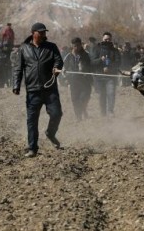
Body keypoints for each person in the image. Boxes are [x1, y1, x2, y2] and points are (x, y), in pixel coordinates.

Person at [12, 22, 63, 157]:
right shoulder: (23, 49)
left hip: (50, 89)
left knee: (57, 113)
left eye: (44, 32)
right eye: (40, 32)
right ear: (33, 33)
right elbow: (18, 68)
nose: (43, 34)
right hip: (33, 89)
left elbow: (59, 61)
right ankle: (32, 148)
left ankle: (50, 133)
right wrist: (16, 85)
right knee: (32, 120)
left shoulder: (51, 47)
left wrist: (57, 67)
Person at [90, 32, 121, 117]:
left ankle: (110, 111)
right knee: (101, 95)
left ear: (111, 40)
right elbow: (92, 62)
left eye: (109, 39)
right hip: (99, 77)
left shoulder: (115, 50)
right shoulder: (96, 49)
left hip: (110, 77)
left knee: (111, 93)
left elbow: (118, 63)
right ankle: (103, 112)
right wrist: (100, 59)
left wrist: (110, 68)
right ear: (102, 39)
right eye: (105, 39)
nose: (107, 41)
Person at [64, 37, 92, 121]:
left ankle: (83, 109)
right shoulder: (68, 56)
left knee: (84, 98)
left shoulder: (85, 55)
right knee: (75, 99)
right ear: (72, 45)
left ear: (81, 45)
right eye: (74, 46)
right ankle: (78, 116)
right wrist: (65, 76)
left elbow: (90, 66)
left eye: (78, 45)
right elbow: (64, 67)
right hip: (73, 81)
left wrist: (84, 68)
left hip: (84, 81)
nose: (76, 47)